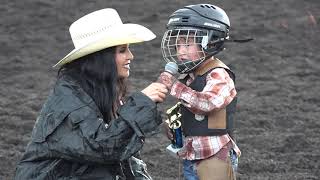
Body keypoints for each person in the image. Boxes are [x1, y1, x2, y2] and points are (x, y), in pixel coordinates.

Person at [14, 8, 168, 180]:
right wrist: (141, 102)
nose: (131, 56)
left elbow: (124, 158)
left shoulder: (101, 90)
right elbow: (103, 148)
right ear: (102, 58)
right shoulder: (69, 100)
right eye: (122, 50)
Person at [158, 4, 243, 180]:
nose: (180, 52)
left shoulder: (218, 74)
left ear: (210, 42)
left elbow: (208, 103)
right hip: (194, 155)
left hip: (215, 156)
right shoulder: (193, 74)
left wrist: (176, 86)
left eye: (187, 44)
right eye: (178, 45)